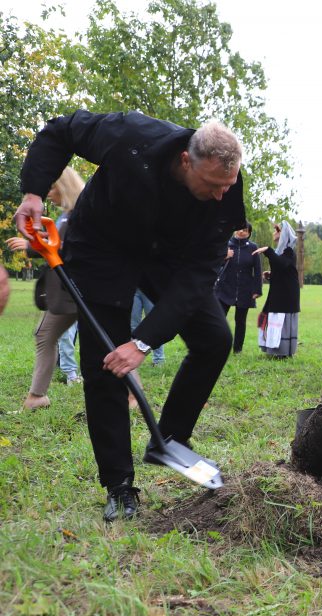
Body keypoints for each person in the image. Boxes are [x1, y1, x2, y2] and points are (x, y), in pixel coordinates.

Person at [16, 110, 246, 522]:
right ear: (185, 161)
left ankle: (169, 438)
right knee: (104, 368)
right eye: (212, 185)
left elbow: (198, 275)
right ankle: (119, 486)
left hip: (169, 256)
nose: (220, 195)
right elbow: (60, 131)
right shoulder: (131, 136)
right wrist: (33, 193)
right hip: (103, 248)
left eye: (226, 186)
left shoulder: (227, 188)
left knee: (214, 338)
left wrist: (142, 342)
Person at [5, 167, 85, 409]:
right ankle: (37, 397)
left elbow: (65, 249)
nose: (48, 193)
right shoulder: (67, 214)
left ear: (64, 186)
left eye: (51, 188)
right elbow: (56, 245)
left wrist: (30, 248)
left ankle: (37, 397)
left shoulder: (79, 214)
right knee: (106, 340)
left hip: (76, 292)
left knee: (46, 336)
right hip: (70, 292)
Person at [214, 224, 263, 354]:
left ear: (249, 233)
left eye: (245, 230)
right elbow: (212, 263)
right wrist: (224, 256)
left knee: (240, 321)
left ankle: (237, 349)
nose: (242, 232)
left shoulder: (253, 248)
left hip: (245, 289)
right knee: (219, 319)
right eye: (240, 229)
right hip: (225, 288)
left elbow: (257, 270)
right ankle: (218, 346)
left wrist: (257, 290)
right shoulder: (226, 244)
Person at [255, 221, 300, 358]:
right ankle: (275, 350)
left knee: (281, 320)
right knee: (272, 317)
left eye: (276, 231)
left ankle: (282, 352)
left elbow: (282, 264)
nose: (274, 233)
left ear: (283, 234)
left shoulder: (289, 252)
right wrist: (271, 275)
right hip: (279, 293)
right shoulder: (281, 252)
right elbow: (281, 269)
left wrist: (267, 251)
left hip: (286, 295)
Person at [131, 290, 166, 365]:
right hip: (133, 289)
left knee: (155, 324)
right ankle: (132, 359)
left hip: (149, 288)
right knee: (133, 326)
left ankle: (159, 360)